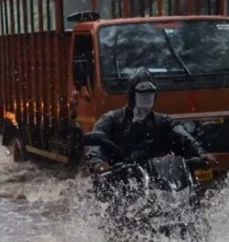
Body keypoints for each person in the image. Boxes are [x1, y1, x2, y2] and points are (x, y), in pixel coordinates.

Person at [84, 67, 214, 172]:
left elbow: (183, 136)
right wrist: (98, 161)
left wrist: (201, 153)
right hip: (118, 180)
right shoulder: (111, 119)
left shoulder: (163, 121)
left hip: (157, 183)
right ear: (132, 95)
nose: (146, 99)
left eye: (149, 94)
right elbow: (96, 143)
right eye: (142, 94)